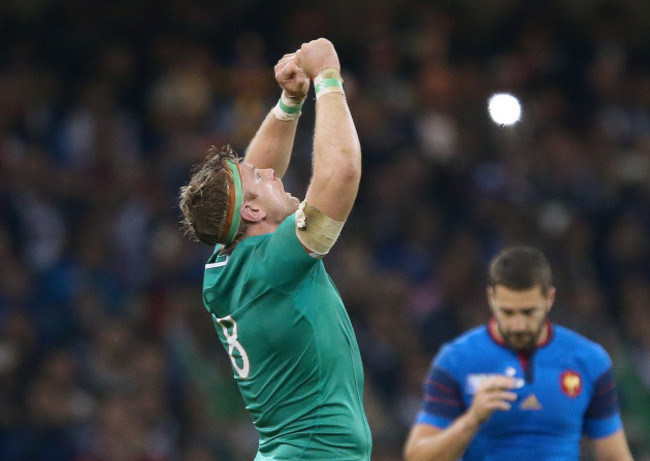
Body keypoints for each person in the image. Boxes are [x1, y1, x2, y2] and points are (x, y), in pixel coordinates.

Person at [178, 38, 372, 460]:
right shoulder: (273, 264)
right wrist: (328, 78)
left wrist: (289, 102)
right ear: (249, 209)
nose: (270, 170)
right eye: (259, 179)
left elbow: (257, 169)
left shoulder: (224, 267)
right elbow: (341, 174)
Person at [404, 246, 634, 461]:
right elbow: (417, 456)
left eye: (528, 312)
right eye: (508, 312)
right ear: (491, 298)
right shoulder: (456, 360)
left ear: (549, 298)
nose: (518, 325)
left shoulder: (589, 360)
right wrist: (471, 420)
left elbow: (614, 455)